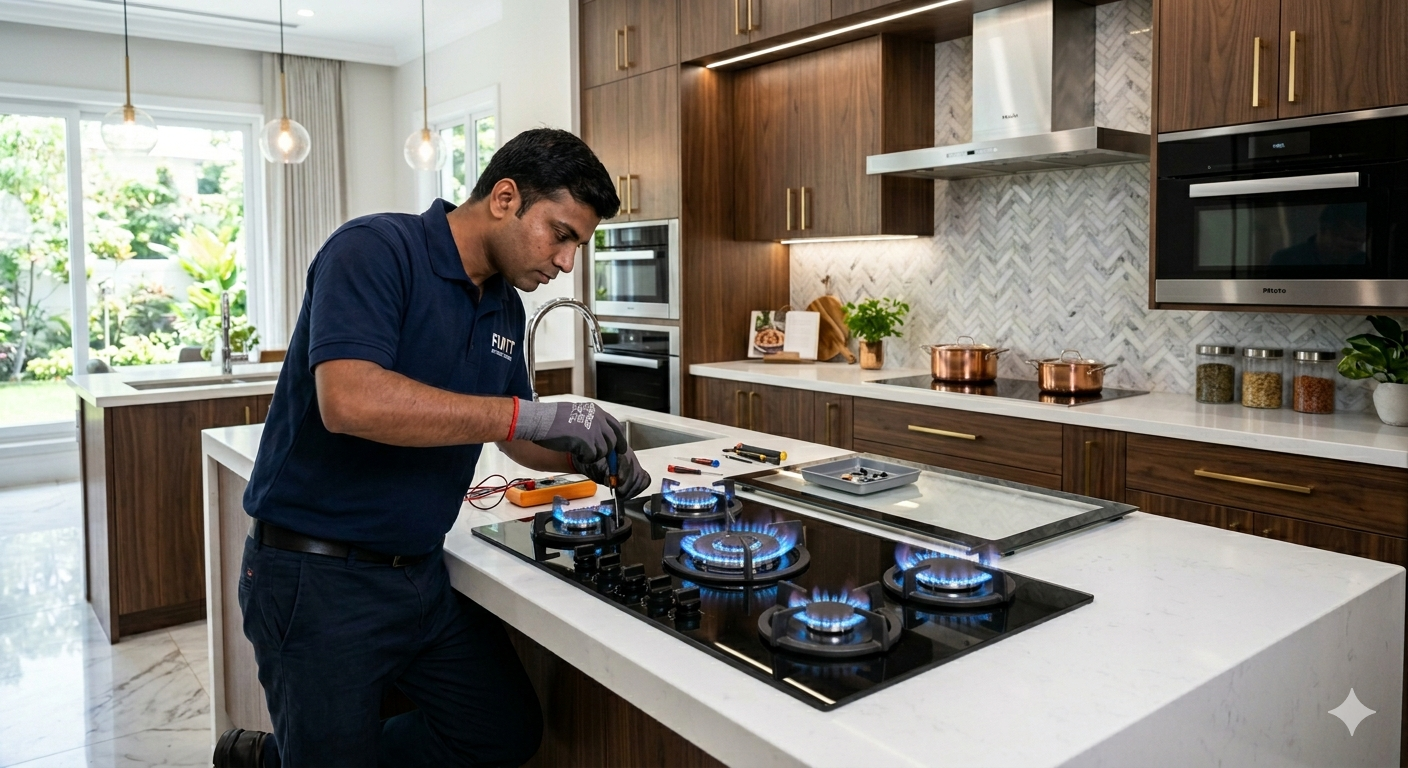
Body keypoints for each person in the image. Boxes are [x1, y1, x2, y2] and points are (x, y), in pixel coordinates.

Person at [212, 128, 651, 768]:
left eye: (576, 245)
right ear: (505, 198)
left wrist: (585, 452)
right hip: (318, 579)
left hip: (420, 577)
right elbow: (350, 401)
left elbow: (518, 437)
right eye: (561, 235)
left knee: (501, 730)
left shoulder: (502, 304)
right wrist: (530, 416)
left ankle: (284, 759)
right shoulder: (374, 251)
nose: (565, 264)